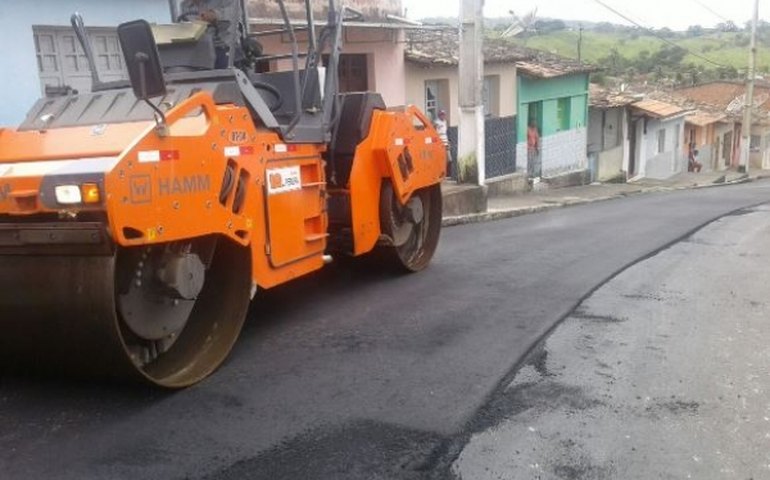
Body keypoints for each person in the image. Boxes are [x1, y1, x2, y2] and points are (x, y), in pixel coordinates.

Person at [179, 0, 241, 69]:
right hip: (199, 49)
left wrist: (216, 15)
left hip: (224, 46)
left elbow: (234, 13)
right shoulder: (185, 5)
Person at [434, 110, 453, 178]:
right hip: (439, 142)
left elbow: (447, 132)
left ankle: (448, 174)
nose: (443, 116)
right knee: (440, 159)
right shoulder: (436, 122)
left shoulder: (445, 122)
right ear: (439, 115)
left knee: (449, 158)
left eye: (444, 114)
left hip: (445, 141)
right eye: (441, 115)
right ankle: (440, 173)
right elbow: (434, 131)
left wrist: (448, 141)